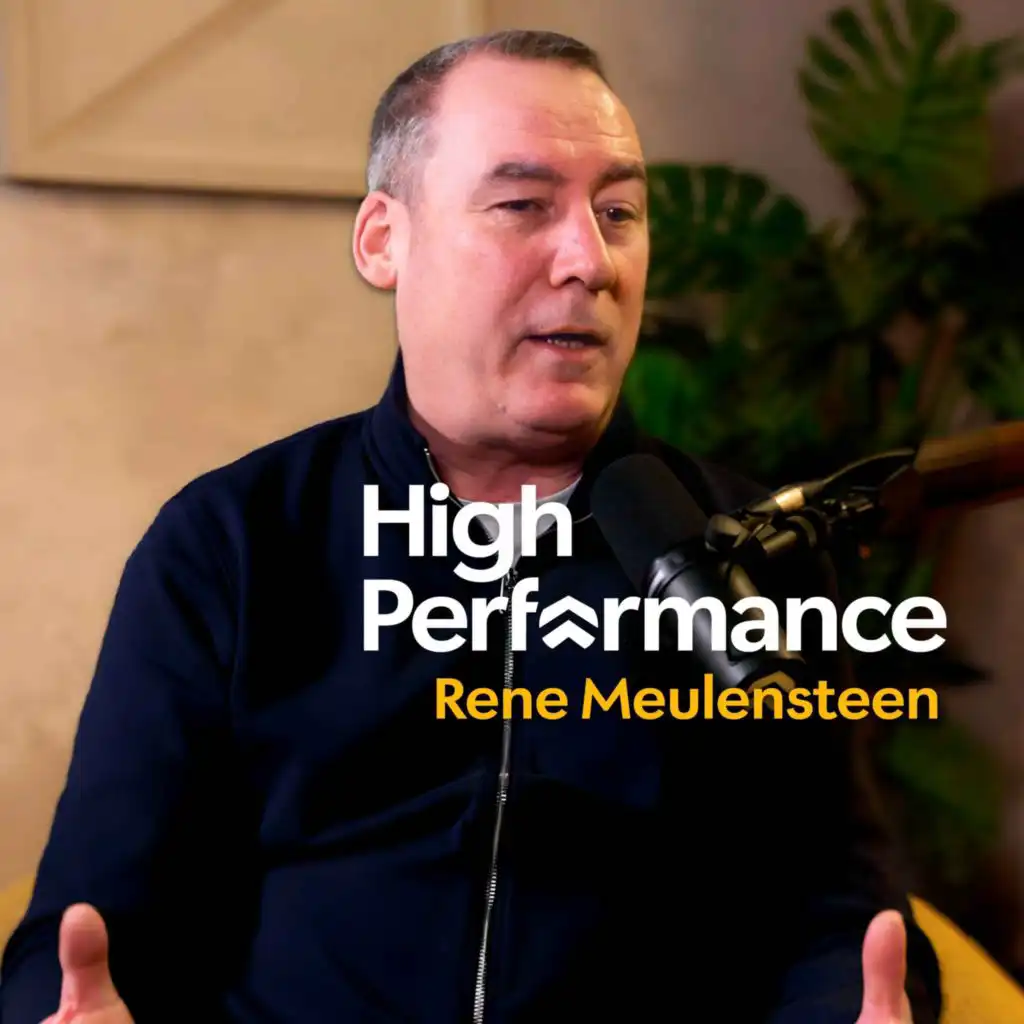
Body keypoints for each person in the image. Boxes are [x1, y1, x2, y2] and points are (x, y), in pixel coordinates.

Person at [0, 29, 942, 1024]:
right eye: (523, 205)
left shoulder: (748, 558)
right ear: (383, 240)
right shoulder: (232, 543)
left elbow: (841, 923)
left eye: (618, 212)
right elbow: (87, 935)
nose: (589, 260)